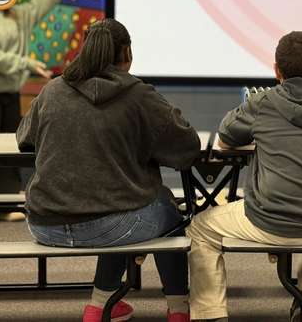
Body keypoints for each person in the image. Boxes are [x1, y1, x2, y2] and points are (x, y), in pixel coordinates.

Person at [17, 18, 201, 322]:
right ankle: (179, 310)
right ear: (127, 53)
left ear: (85, 50)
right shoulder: (139, 95)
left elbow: (24, 137)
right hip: (108, 224)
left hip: (44, 224)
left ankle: (102, 306)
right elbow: (187, 148)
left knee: (117, 206)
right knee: (164, 210)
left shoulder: (52, 90)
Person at [187, 31, 302, 322]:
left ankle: (211, 314)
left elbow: (227, 132)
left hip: (271, 220)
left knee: (201, 228)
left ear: (276, 70)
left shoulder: (262, 103)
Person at [0, 0, 71, 228]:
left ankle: (5, 204)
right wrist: (27, 63)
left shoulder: (19, 16)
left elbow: (42, 3)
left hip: (10, 92)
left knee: (10, 147)